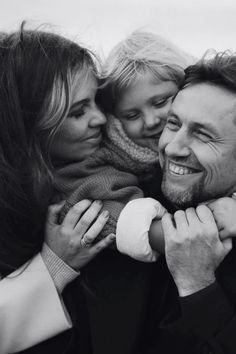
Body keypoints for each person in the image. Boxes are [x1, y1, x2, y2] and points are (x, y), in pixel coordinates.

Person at [0, 25, 115, 354]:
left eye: (98, 100)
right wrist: (53, 266)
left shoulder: (110, 164)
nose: (101, 119)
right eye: (78, 111)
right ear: (27, 122)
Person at [117, 51, 236, 353]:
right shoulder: (138, 193)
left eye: (203, 135)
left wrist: (196, 283)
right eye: (173, 123)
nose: (173, 147)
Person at [57, 30, 194, 262]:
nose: (151, 121)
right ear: (115, 120)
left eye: (161, 102)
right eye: (131, 115)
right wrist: (161, 233)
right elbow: (96, 197)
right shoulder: (111, 155)